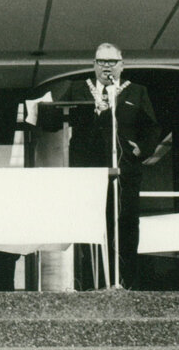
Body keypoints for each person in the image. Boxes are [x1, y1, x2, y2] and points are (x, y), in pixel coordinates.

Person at [40, 42, 161, 290]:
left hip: (125, 168)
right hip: (86, 169)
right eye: (101, 61)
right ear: (94, 65)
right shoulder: (77, 88)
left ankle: (126, 283)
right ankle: (90, 283)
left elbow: (152, 128)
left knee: (126, 223)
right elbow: (52, 120)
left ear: (122, 65)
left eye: (112, 62)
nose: (107, 66)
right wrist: (40, 110)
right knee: (90, 223)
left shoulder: (136, 91)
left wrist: (141, 150)